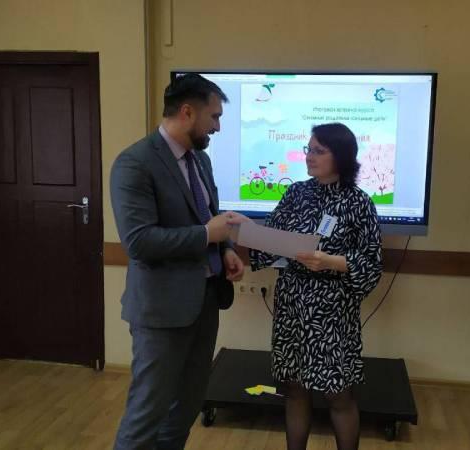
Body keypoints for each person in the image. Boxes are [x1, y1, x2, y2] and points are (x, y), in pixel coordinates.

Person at [110, 73, 245, 450]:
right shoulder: (134, 163)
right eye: (214, 117)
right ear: (187, 112)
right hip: (161, 312)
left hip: (204, 302)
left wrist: (225, 249)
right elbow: (139, 242)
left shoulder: (200, 160)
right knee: (146, 415)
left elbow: (209, 216)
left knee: (185, 409)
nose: (217, 127)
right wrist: (206, 236)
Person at [245, 123, 383, 450]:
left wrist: (330, 261)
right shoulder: (296, 193)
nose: (309, 156)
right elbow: (269, 242)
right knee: (294, 389)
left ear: (342, 156)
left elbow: (372, 263)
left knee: (339, 394)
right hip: (292, 306)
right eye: (309, 149)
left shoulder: (359, 202)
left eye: (319, 151)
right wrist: (246, 230)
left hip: (332, 312)